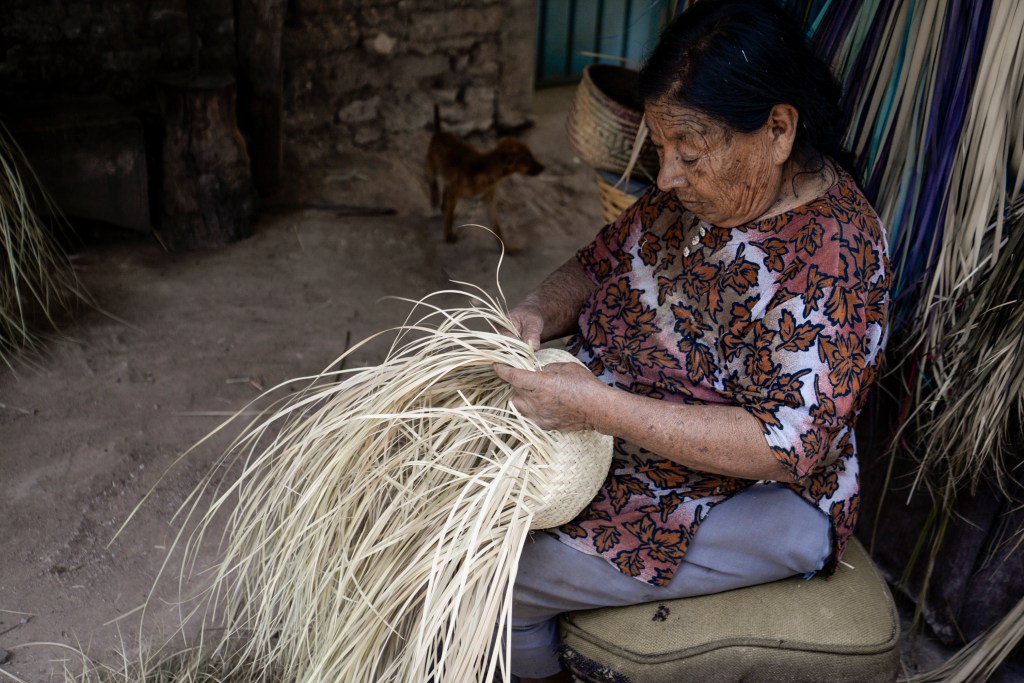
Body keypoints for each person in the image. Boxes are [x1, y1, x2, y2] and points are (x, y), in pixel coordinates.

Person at [492, 1, 892, 680]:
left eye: (689, 152)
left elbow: (783, 446)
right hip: (620, 434)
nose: (668, 176)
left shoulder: (835, 256)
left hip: (751, 497)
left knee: (507, 575)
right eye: (662, 149)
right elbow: (599, 263)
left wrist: (595, 409)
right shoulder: (703, 192)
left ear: (778, 129)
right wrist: (533, 311)